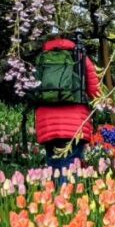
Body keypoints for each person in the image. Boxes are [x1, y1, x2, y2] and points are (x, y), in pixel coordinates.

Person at [33, 34, 101, 180]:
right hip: (75, 122)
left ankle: (53, 198)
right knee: (71, 165)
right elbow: (96, 91)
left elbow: (33, 90)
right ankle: (67, 198)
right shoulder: (80, 57)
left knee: (53, 163)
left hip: (47, 122)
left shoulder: (42, 59)